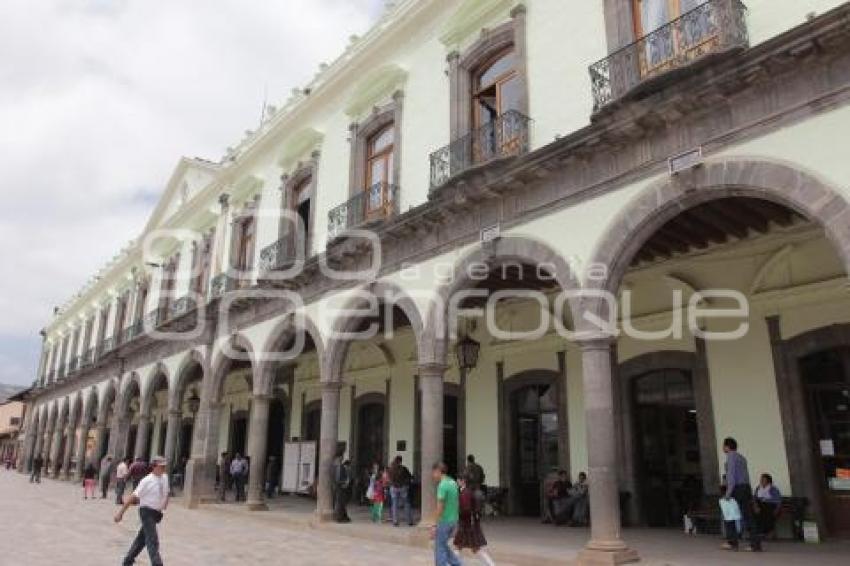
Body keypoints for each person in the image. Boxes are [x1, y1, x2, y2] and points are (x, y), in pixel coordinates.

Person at [114, 455, 169, 566]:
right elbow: (132, 497)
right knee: (152, 539)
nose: (163, 469)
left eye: (164, 467)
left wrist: (164, 504)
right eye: (161, 467)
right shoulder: (146, 481)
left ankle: (128, 560)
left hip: (156, 513)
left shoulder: (165, 477)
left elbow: (167, 492)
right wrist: (120, 513)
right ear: (153, 467)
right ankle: (157, 563)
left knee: (142, 539)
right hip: (146, 511)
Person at [721, 437, 762, 552]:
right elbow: (746, 476)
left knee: (730, 515)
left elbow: (731, 477)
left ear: (727, 446)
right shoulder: (741, 458)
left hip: (737, 489)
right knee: (748, 516)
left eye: (723, 446)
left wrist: (728, 493)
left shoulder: (731, 457)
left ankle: (732, 542)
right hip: (745, 488)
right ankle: (755, 543)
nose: (723, 448)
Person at [454, 477, 494, 566]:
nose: (457, 482)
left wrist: (458, 512)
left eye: (458, 480)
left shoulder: (465, 493)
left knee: (472, 547)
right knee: (461, 546)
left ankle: (491, 565)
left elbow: (466, 509)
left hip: (467, 524)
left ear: (463, 481)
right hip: (470, 523)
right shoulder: (468, 491)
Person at [429, 461, 462, 566]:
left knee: (439, 548)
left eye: (433, 473)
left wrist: (434, 524)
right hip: (453, 520)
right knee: (443, 545)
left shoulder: (442, 485)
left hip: (444, 521)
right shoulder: (452, 482)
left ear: (438, 471)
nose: (433, 475)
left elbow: (440, 507)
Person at [754, 473, 782, 538]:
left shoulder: (773, 489)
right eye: (761, 479)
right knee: (754, 511)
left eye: (763, 480)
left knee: (765, 510)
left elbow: (778, 500)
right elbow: (755, 499)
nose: (761, 481)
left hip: (771, 506)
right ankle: (758, 531)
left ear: (768, 481)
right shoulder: (758, 488)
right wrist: (755, 506)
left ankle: (767, 531)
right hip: (760, 506)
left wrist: (777, 509)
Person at [389, 455, 414, 527]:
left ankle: (395, 521)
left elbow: (389, 478)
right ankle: (409, 521)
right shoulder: (403, 469)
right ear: (400, 461)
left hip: (393, 487)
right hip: (403, 487)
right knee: (406, 503)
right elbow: (410, 476)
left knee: (394, 504)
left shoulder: (391, 468)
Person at [333, 455, 352, 523]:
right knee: (340, 503)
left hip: (340, 488)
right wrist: (345, 482)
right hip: (340, 488)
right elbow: (338, 479)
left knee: (342, 503)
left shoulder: (338, 467)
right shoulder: (340, 467)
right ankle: (339, 518)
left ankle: (344, 517)